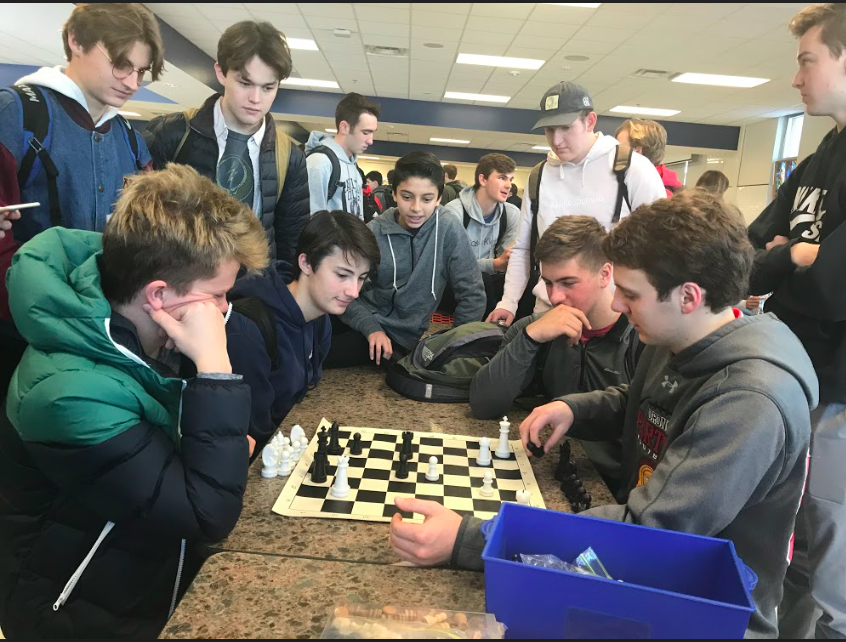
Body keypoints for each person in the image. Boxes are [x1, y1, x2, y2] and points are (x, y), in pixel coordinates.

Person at [391, 190, 817, 639]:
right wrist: (573, 408)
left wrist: (471, 539)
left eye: (631, 294)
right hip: (649, 583)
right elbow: (640, 401)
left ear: (689, 296)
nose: (616, 305)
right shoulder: (678, 337)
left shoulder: (749, 400)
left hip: (706, 617)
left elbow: (646, 531)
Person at [0, 164, 269, 638]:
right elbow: (205, 514)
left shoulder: (146, 335)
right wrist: (214, 368)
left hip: (139, 587)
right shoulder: (69, 395)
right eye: (218, 295)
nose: (225, 309)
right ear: (159, 296)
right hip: (74, 615)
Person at [0, 2, 164, 399]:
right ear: (76, 41)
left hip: (102, 332)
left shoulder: (130, 138)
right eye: (121, 64)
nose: (131, 81)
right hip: (21, 330)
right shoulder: (16, 112)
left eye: (141, 71)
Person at [748, 4, 846, 637]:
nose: (796, 78)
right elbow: (751, 260)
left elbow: (835, 287)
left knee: (831, 555)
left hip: (838, 393)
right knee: (791, 538)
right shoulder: (818, 157)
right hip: (793, 371)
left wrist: (790, 258)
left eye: (807, 60)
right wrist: (792, 257)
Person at [469, 216, 642, 497]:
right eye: (548, 283)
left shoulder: (641, 338)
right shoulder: (535, 328)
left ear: (605, 274)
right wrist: (529, 339)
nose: (556, 297)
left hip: (615, 493)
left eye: (568, 283)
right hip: (549, 478)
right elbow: (482, 403)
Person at [487, 81, 666, 327]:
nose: (556, 140)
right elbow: (523, 248)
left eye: (565, 128)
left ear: (590, 121)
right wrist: (508, 302)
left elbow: (662, 247)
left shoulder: (633, 169)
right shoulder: (540, 176)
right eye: (549, 130)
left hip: (614, 316)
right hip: (549, 309)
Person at [144, 21, 309, 263]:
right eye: (245, 83)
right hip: (179, 282)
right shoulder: (171, 133)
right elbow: (140, 221)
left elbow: (291, 241)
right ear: (221, 72)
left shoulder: (289, 156)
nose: (255, 98)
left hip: (253, 288)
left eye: (268, 88)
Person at [227, 210, 380, 455]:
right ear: (306, 263)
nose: (354, 291)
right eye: (342, 275)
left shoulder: (321, 318)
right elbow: (251, 438)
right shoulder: (249, 330)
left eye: (361, 278)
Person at [325, 151, 485, 368]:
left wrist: (452, 347)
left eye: (427, 199)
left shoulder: (448, 228)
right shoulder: (375, 231)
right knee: (307, 338)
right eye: (407, 196)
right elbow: (348, 290)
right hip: (361, 319)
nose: (416, 207)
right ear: (394, 193)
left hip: (398, 338)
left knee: (319, 353)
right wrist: (372, 327)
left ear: (439, 198)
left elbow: (472, 294)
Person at [443, 153, 520, 317]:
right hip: (453, 282)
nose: (508, 185)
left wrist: (512, 258)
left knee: (529, 283)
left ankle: (518, 335)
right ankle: (487, 336)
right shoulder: (453, 212)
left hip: (489, 279)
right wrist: (494, 264)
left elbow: (506, 256)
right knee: (482, 280)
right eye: (502, 178)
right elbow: (450, 267)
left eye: (511, 179)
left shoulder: (511, 213)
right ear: (483, 179)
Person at [306, 92, 380, 219]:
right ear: (344, 127)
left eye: (372, 133)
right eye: (365, 132)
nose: (370, 140)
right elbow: (312, 220)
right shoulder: (319, 163)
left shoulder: (354, 167)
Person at [615, 118, 683, 197]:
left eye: (618, 146)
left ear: (637, 151)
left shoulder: (659, 196)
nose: (613, 150)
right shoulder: (625, 181)